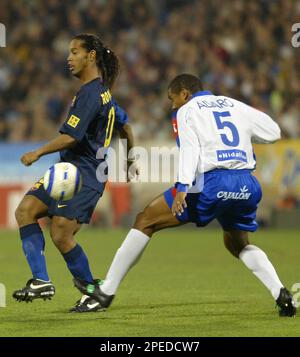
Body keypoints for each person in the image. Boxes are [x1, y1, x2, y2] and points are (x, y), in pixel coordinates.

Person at [74, 73, 296, 317]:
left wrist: (182, 187)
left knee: (146, 220)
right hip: (247, 185)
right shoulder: (235, 105)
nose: (172, 105)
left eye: (173, 99)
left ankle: (105, 292)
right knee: (237, 243)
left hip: (211, 183)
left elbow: (190, 149)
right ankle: (280, 293)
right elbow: (274, 132)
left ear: (185, 94)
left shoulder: (187, 110)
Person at [13, 33, 138, 312]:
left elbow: (71, 137)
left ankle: (94, 292)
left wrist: (37, 152)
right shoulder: (101, 93)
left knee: (61, 234)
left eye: (74, 52)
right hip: (68, 171)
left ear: (91, 56)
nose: (68, 58)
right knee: (25, 211)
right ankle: (41, 280)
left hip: (86, 174)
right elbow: (126, 126)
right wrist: (131, 159)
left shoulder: (92, 93)